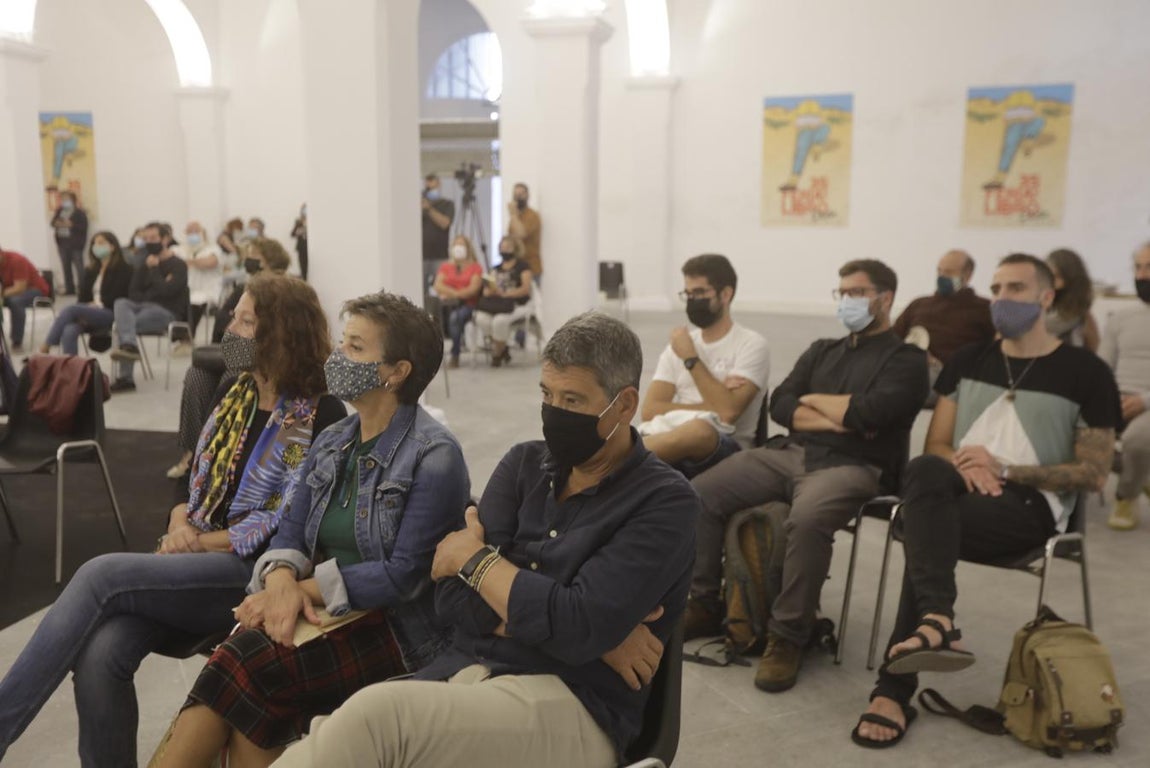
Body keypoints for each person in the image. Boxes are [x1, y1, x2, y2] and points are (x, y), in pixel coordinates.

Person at [271, 311, 699, 768]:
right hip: (467, 671)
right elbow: (452, 599)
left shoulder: (664, 503)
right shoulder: (523, 466)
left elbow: (575, 626)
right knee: (325, 737)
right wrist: (578, 628)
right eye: (546, 394)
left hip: (573, 704)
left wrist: (475, 561)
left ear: (625, 404)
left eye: (572, 400)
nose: (554, 412)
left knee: (373, 721)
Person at [0, 274, 346, 767]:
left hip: (252, 573)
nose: (232, 328)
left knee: (101, 574)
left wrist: (198, 544)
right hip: (198, 557)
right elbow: (192, 482)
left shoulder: (319, 414)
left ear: (281, 333)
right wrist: (180, 519)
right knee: (102, 654)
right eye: (235, 316)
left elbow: (293, 523)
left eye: (246, 321)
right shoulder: (235, 392)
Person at [152, 291, 470, 767]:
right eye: (342, 344)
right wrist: (280, 581)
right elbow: (291, 535)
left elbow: (403, 575)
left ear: (396, 371)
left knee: (243, 664)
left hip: (398, 631)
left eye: (356, 348)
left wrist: (302, 587)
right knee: (248, 676)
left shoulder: (433, 455)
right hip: (326, 611)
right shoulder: (333, 439)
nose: (338, 357)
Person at [853, 254, 1119, 749]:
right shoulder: (968, 361)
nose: (1001, 298)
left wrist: (1005, 468)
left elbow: (1094, 472)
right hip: (955, 489)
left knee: (921, 524)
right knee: (925, 472)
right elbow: (937, 445)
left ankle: (894, 688)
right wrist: (966, 467)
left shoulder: (1086, 372)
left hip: (1029, 508)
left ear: (1045, 297)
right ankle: (937, 620)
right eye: (996, 288)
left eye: (1015, 288)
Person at [685, 259, 929, 694]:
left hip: (854, 466)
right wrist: (839, 414)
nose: (846, 302)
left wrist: (820, 407)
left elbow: (873, 413)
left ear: (885, 299)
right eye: (842, 294)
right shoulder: (822, 350)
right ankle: (704, 603)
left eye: (856, 293)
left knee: (809, 519)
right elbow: (781, 403)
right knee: (701, 492)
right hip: (791, 453)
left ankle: (788, 635)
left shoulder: (907, 361)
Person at [168, 238, 293, 478]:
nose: (250, 259)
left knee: (233, 374)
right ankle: (194, 452)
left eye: (255, 254)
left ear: (270, 259)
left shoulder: (286, 290)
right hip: (228, 349)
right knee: (196, 375)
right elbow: (220, 326)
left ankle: (228, 451)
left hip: (256, 354)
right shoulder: (242, 288)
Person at [640, 254, 770, 477]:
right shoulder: (678, 345)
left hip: (727, 449)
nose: (692, 300)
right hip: (674, 441)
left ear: (726, 294)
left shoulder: (751, 344)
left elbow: (727, 414)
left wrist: (691, 358)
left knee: (699, 429)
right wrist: (712, 404)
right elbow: (650, 409)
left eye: (699, 292)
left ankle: (613, 460)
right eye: (688, 294)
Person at [1101, 242, 1150, 530]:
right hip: (1117, 397)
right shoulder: (1120, 319)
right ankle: (1141, 473)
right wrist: (1105, 398)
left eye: (1149, 268)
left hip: (1148, 405)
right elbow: (1102, 367)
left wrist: (1143, 401)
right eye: (1138, 267)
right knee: (1070, 428)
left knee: (1137, 440)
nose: (1142, 275)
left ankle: (1126, 495)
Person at [108, 222, 190, 392]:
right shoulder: (143, 264)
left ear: (165, 239)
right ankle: (129, 346)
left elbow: (168, 292)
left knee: (124, 325)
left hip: (167, 313)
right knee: (121, 303)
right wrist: (153, 278)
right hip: (141, 307)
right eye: (146, 238)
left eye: (153, 238)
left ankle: (126, 378)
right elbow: (133, 293)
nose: (149, 242)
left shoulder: (178, 265)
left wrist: (154, 271)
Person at [892, 249, 996, 373]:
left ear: (968, 276)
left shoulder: (984, 308)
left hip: (956, 376)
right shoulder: (918, 304)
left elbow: (996, 351)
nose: (942, 276)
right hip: (912, 371)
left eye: (949, 272)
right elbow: (893, 339)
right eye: (939, 270)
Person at [38, 231, 133, 355]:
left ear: (112, 246)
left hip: (110, 312)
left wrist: (97, 304)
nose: (97, 246)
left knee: (71, 309)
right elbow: (82, 298)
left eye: (101, 243)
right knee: (69, 330)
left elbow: (120, 296)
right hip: (89, 311)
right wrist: (87, 308)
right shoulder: (91, 270)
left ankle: (47, 345)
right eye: (94, 243)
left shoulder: (124, 269)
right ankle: (71, 368)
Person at [473, 236, 533, 367]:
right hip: (496, 304)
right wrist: (490, 291)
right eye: (502, 247)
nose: (504, 250)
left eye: (508, 247)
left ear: (515, 249)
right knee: (481, 318)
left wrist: (506, 294)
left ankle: (497, 354)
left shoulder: (523, 266)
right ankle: (502, 348)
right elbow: (485, 291)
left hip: (516, 304)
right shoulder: (495, 268)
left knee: (499, 321)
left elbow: (525, 289)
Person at [433, 234, 484, 368]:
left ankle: (455, 353)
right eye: (456, 245)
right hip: (447, 305)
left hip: (469, 305)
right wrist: (457, 294)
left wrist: (452, 294)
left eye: (462, 245)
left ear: (468, 248)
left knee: (455, 318)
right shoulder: (446, 266)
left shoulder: (475, 267)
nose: (458, 248)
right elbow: (438, 285)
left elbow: (473, 289)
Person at [1045, 248, 1100, 352]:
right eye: (1050, 276)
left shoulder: (1084, 318)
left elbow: (1094, 352)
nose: (1056, 285)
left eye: (1058, 276)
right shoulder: (1034, 313)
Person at [0, 244, 51, 353]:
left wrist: (2, 293)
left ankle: (17, 341)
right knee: (11, 300)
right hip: (10, 290)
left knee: (15, 302)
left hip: (35, 290)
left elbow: (19, 288)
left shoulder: (16, 260)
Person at [179, 220, 224, 340]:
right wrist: (192, 262)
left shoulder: (213, 249)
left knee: (195, 301)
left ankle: (186, 338)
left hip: (207, 291)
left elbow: (210, 263)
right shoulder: (180, 249)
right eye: (189, 232)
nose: (192, 234)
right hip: (186, 290)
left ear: (203, 232)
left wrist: (188, 262)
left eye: (196, 231)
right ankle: (178, 336)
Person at [49, 190, 89, 296]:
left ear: (73, 200)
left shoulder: (79, 213)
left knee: (79, 267)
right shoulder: (59, 211)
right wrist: (62, 224)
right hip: (62, 243)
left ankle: (83, 289)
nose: (64, 201)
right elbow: (53, 223)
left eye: (67, 199)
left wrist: (71, 225)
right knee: (65, 267)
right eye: (62, 199)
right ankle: (69, 288)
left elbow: (82, 227)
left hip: (76, 244)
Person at [421, 174, 455, 291]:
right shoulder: (418, 205)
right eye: (427, 184)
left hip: (440, 255)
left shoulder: (447, 204)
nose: (429, 186)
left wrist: (429, 209)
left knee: (442, 289)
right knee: (421, 290)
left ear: (439, 183)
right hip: (422, 255)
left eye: (432, 183)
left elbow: (445, 223)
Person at [507, 182, 541, 279]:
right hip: (516, 266)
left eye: (521, 194)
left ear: (527, 195)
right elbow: (511, 238)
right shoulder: (515, 218)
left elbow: (521, 234)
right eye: (515, 195)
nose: (518, 198)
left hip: (531, 267)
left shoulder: (533, 216)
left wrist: (513, 214)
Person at [291, 203, 308, 281]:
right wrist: (300, 231)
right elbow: (292, 234)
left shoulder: (314, 221)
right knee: (303, 266)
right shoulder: (298, 221)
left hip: (310, 248)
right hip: (301, 248)